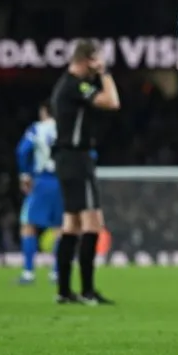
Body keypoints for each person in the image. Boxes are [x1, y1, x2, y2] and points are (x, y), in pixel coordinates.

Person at [50, 40, 120, 305]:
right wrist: (104, 73)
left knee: (72, 225)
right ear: (87, 60)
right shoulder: (75, 85)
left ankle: (64, 291)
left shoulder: (66, 85)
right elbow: (112, 102)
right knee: (93, 223)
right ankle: (88, 291)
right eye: (96, 60)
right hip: (77, 159)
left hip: (67, 159)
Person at [15, 101, 62, 285]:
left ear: (44, 112)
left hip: (42, 181)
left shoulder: (37, 129)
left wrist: (25, 174)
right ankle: (57, 273)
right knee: (61, 228)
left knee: (28, 224)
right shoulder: (68, 126)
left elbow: (22, 150)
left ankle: (28, 272)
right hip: (62, 181)